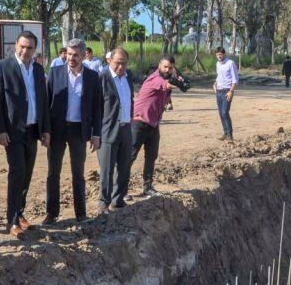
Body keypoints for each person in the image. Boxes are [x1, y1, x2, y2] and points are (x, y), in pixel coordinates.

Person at [0, 31, 50, 238]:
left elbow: (42, 101)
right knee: (17, 172)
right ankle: (12, 220)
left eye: (30, 48)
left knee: (27, 174)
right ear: (15, 45)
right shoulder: (2, 67)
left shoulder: (38, 70)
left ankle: (20, 213)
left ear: (35, 50)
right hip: (12, 131)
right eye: (22, 46)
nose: (25, 51)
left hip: (33, 130)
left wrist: (45, 129)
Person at [44, 38, 102, 224]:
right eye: (69, 54)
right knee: (53, 172)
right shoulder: (55, 73)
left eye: (75, 55)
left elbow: (97, 108)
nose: (71, 58)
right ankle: (52, 213)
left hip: (79, 130)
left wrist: (96, 134)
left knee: (78, 173)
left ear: (84, 55)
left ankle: (80, 213)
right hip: (57, 130)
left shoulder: (93, 77)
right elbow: (45, 104)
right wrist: (45, 130)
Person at [129, 56, 186, 198]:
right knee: (129, 156)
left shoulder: (167, 83)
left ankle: (147, 187)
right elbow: (166, 84)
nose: (167, 70)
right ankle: (119, 191)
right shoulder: (154, 78)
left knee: (151, 156)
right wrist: (179, 83)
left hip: (153, 124)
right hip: (139, 122)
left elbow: (167, 89)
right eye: (165, 67)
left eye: (170, 67)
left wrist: (179, 82)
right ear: (160, 66)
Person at [97, 48, 134, 212]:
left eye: (124, 63)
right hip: (108, 130)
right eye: (118, 63)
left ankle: (118, 200)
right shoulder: (102, 78)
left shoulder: (128, 77)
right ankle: (103, 203)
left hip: (126, 128)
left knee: (125, 166)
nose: (121, 67)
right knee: (106, 169)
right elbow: (95, 106)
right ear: (109, 61)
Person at [213, 46, 238, 142]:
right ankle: (225, 133)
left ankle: (230, 135)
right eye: (217, 54)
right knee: (220, 113)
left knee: (225, 112)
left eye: (220, 54)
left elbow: (235, 79)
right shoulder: (218, 64)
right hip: (218, 91)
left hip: (227, 91)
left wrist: (231, 91)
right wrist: (215, 84)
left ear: (224, 54)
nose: (219, 56)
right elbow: (219, 76)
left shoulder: (230, 63)